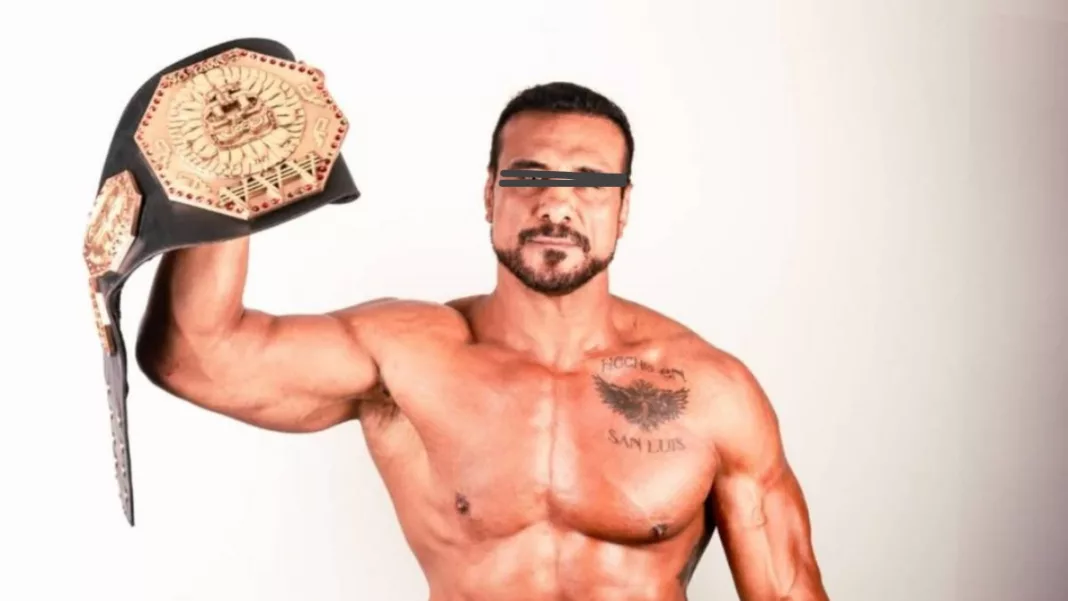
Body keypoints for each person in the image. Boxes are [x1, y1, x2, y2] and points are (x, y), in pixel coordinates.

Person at [136, 81, 830, 601]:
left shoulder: (711, 392)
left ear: (624, 209)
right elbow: (195, 357)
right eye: (528, 177)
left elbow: (788, 592)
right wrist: (224, 181)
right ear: (489, 194)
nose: (556, 204)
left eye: (590, 184)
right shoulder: (409, 357)